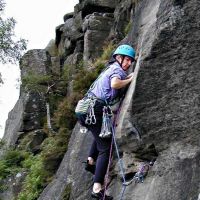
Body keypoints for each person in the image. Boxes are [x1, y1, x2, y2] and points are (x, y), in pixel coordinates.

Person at [78, 44, 136, 200]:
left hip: (85, 109)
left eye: (131, 61)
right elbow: (115, 84)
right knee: (106, 146)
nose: (128, 63)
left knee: (101, 134)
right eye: (126, 60)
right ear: (118, 58)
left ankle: (91, 161)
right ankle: (97, 189)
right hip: (95, 109)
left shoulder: (109, 69)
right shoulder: (117, 70)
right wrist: (130, 78)